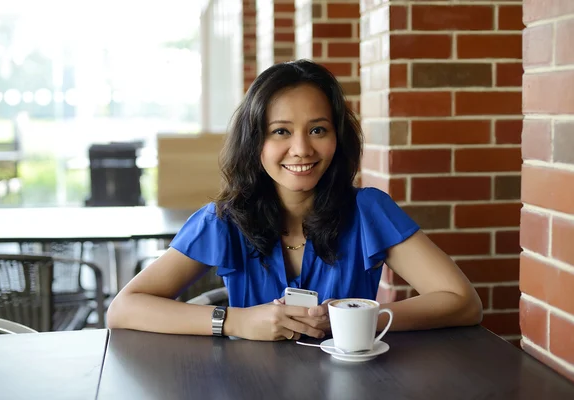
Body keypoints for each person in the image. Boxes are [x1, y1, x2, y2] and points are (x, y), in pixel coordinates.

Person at [107, 60, 482, 341]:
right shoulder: (223, 221)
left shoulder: (369, 210)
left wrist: (357, 319)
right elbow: (123, 308)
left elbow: (463, 302)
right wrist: (235, 321)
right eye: (280, 131)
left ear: (338, 138)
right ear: (255, 142)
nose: (301, 149)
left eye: (318, 129)